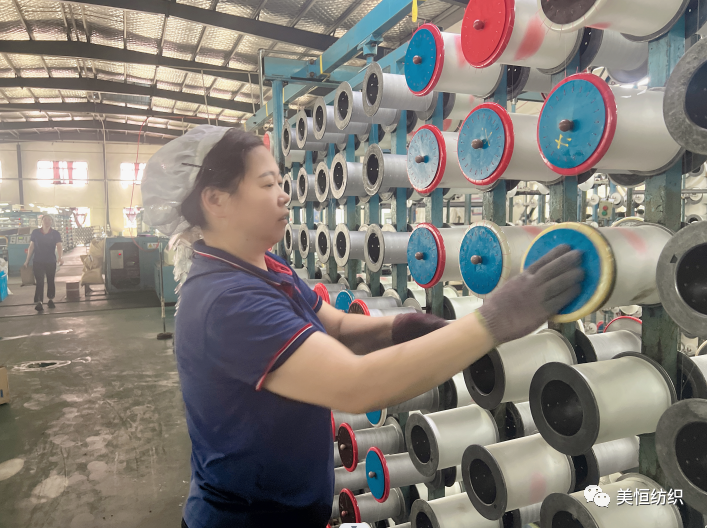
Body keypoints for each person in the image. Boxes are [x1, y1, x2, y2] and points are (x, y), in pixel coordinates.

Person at [174, 128, 584, 528]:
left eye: (281, 182)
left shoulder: (264, 266)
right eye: (267, 184)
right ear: (216, 200)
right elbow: (356, 386)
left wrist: (399, 326)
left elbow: (335, 325)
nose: (284, 195)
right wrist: (492, 322)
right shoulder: (228, 302)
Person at [24, 214, 63, 312]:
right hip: (38, 261)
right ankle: (39, 302)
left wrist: (60, 257)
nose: (47, 221)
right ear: (41, 221)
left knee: (50, 280)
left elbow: (59, 246)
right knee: (39, 282)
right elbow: (31, 246)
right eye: (45, 219)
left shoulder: (55, 233)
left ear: (51, 222)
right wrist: (27, 260)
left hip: (50, 261)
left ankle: (50, 299)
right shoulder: (35, 233)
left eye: (49, 220)